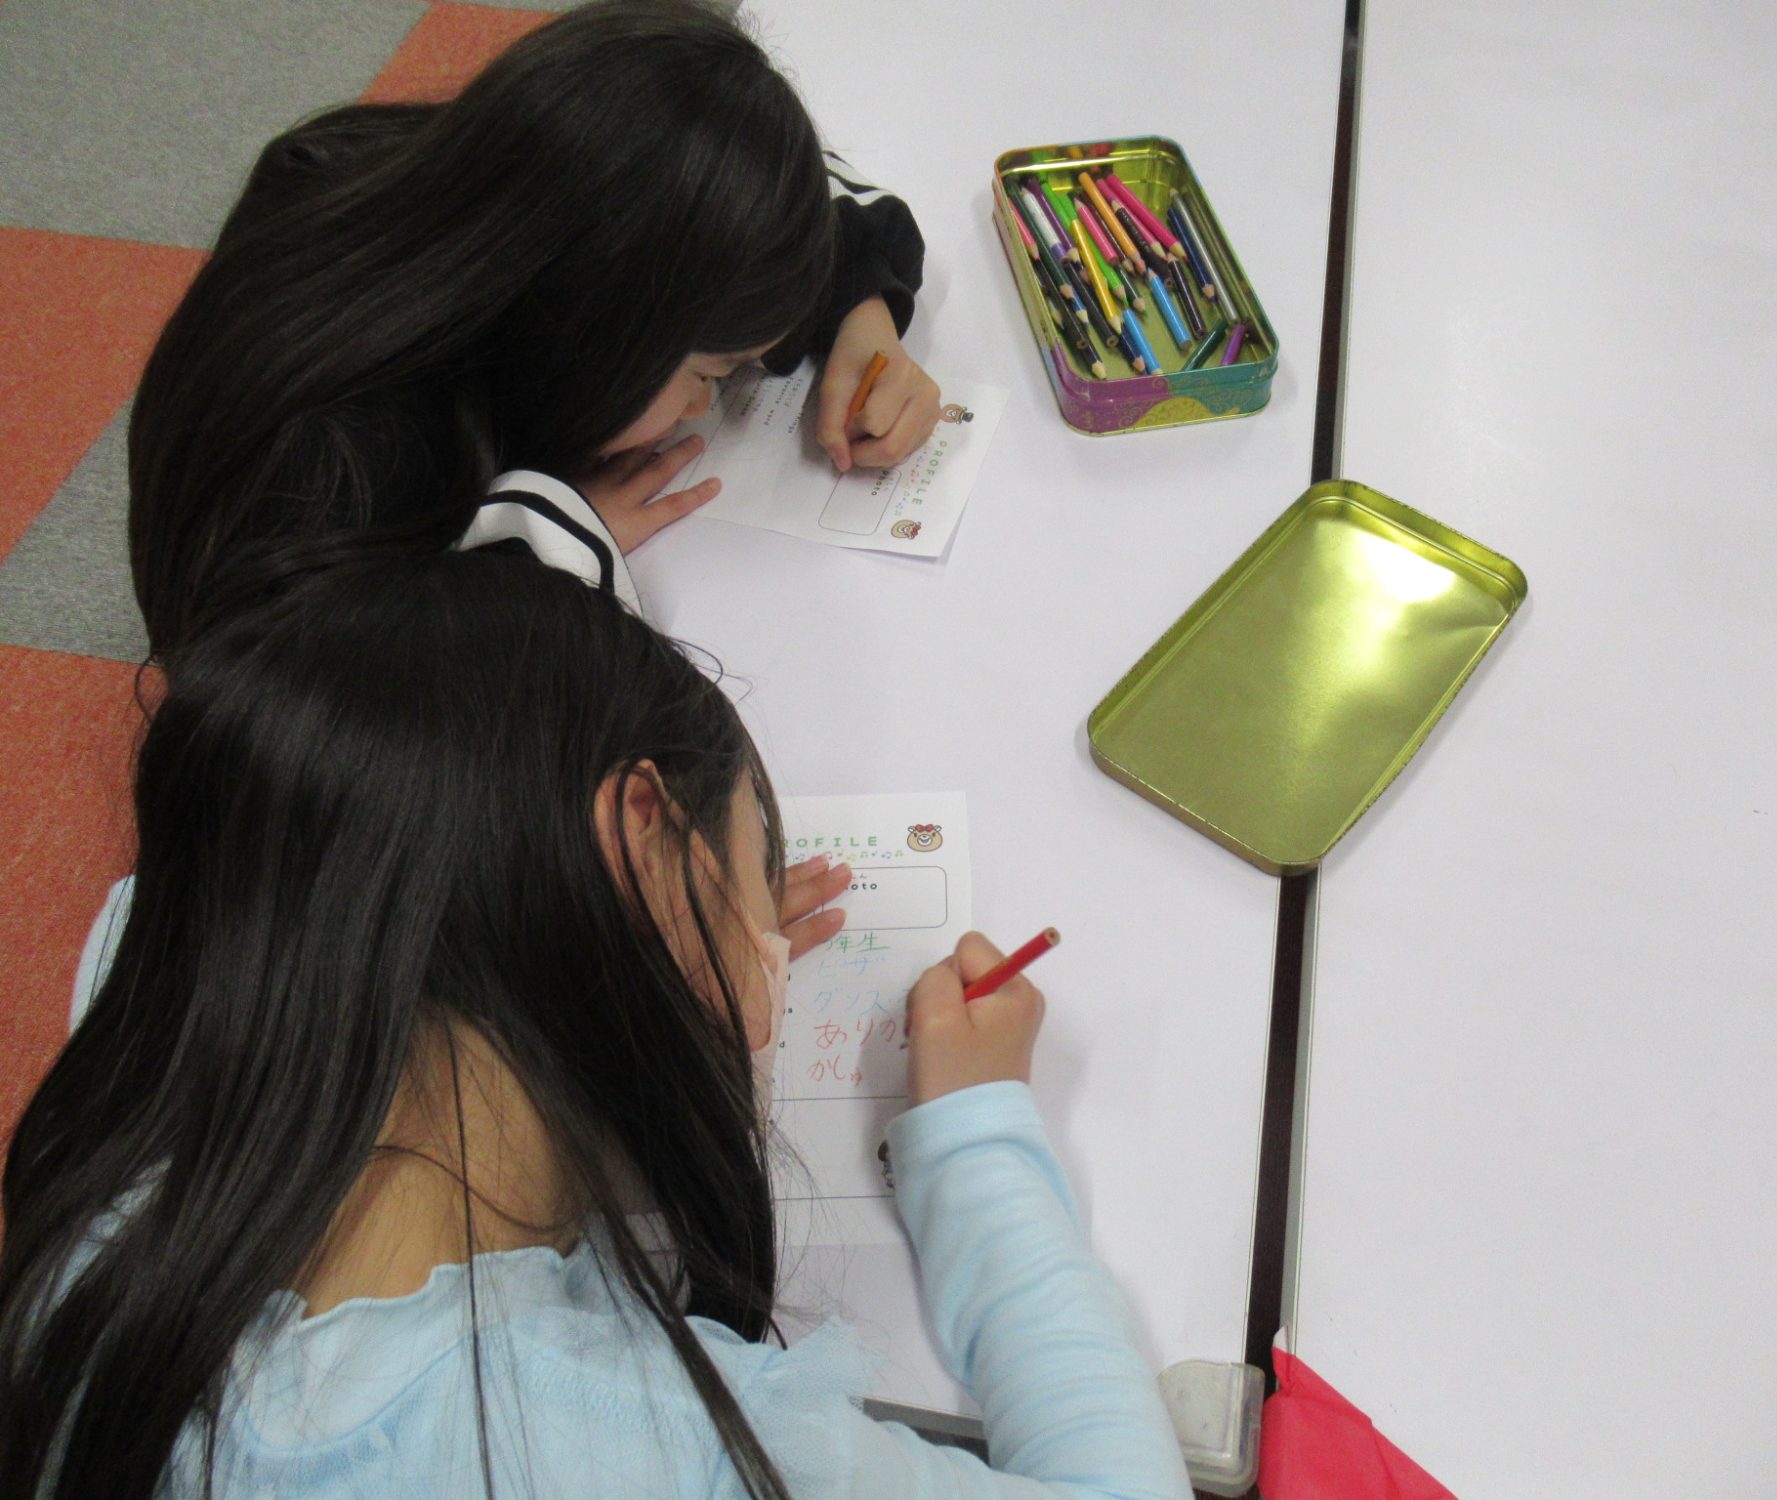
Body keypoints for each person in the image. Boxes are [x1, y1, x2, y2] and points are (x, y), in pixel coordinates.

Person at [0, 552, 1192, 1500]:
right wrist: (976, 1134)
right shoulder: (663, 1452)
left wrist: (646, 929)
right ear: (641, 842)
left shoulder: (104, 1211)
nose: (768, 943)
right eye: (746, 872)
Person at [127, 0, 944, 661]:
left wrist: (861, 314)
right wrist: (550, 539)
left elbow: (788, 197)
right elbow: (315, 718)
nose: (704, 408)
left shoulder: (524, 189)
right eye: (706, 374)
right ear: (596, 323)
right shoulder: (341, 449)